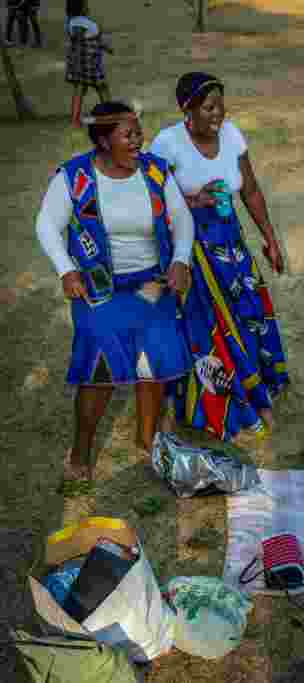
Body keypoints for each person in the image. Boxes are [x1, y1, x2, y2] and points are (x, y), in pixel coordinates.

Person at [34, 101, 194, 483]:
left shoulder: (155, 170)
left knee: (152, 357)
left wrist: (181, 259)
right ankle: (82, 450)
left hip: (150, 281)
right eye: (129, 135)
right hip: (99, 288)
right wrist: (66, 269)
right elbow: (46, 224)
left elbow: (182, 217)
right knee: (99, 367)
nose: (139, 140)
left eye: (139, 132)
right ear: (104, 141)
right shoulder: (75, 176)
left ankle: (149, 440)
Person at [150, 72, 289, 443]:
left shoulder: (232, 135)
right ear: (187, 110)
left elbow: (252, 190)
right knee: (210, 327)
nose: (218, 114)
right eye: (209, 107)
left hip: (232, 245)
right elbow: (154, 202)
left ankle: (257, 394)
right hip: (191, 249)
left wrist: (271, 240)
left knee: (248, 315)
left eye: (220, 105)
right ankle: (227, 404)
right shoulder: (167, 144)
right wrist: (195, 201)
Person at [65, 0, 112, 128]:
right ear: (81, 8)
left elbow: (94, 39)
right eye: (85, 5)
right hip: (87, 62)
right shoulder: (78, 22)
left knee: (80, 90)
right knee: (102, 88)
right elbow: (79, 38)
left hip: (86, 61)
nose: (87, 7)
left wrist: (106, 47)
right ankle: (110, 115)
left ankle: (75, 120)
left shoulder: (75, 21)